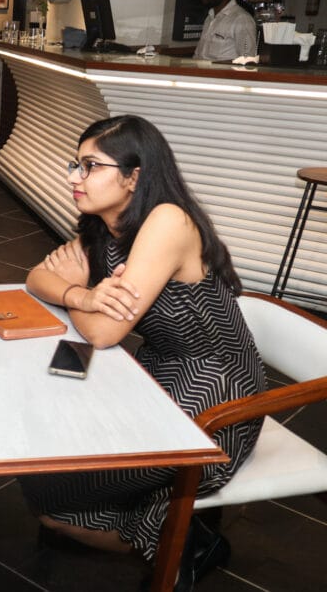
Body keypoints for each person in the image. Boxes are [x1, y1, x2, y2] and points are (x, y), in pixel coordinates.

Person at [21, 115, 266, 590]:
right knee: (50, 458)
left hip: (217, 392)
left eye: (90, 166)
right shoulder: (103, 227)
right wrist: (82, 296)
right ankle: (180, 530)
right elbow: (38, 277)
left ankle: (188, 543)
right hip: (158, 371)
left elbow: (106, 334)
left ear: (134, 176)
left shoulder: (167, 220)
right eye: (75, 165)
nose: (74, 177)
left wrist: (81, 294)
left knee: (54, 491)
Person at [193, 0, 258, 61]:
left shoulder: (242, 20)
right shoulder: (210, 17)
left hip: (221, 75)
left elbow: (247, 61)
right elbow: (199, 55)